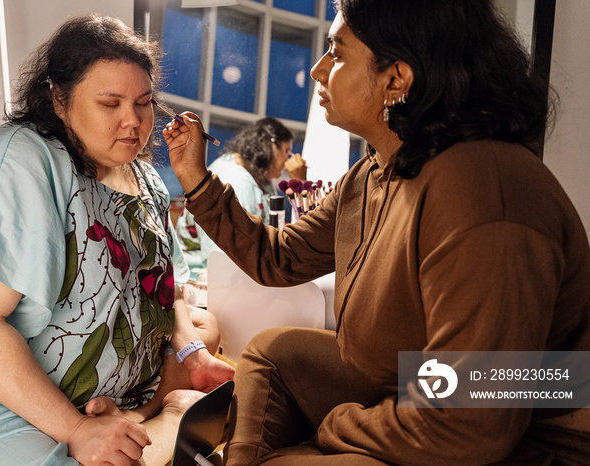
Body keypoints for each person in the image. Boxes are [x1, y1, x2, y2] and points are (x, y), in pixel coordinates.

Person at [162, 0, 590, 464]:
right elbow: (279, 257)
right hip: (419, 386)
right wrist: (196, 179)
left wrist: (333, 429)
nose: (318, 70)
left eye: (337, 52)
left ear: (396, 79)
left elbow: (471, 419)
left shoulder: (484, 190)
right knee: (272, 353)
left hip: (522, 438)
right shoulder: (377, 171)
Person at [0, 13, 233, 466]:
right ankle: (155, 425)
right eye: (110, 104)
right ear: (59, 99)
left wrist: (191, 353)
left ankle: (144, 415)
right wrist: (76, 429)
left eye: (144, 102)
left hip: (120, 394)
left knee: (208, 327)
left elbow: (164, 292)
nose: (132, 121)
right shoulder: (18, 165)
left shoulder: (145, 179)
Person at [175, 117, 304, 273]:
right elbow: (234, 251)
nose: (287, 160)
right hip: (205, 274)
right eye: (286, 151)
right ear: (271, 146)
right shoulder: (237, 180)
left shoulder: (260, 177)